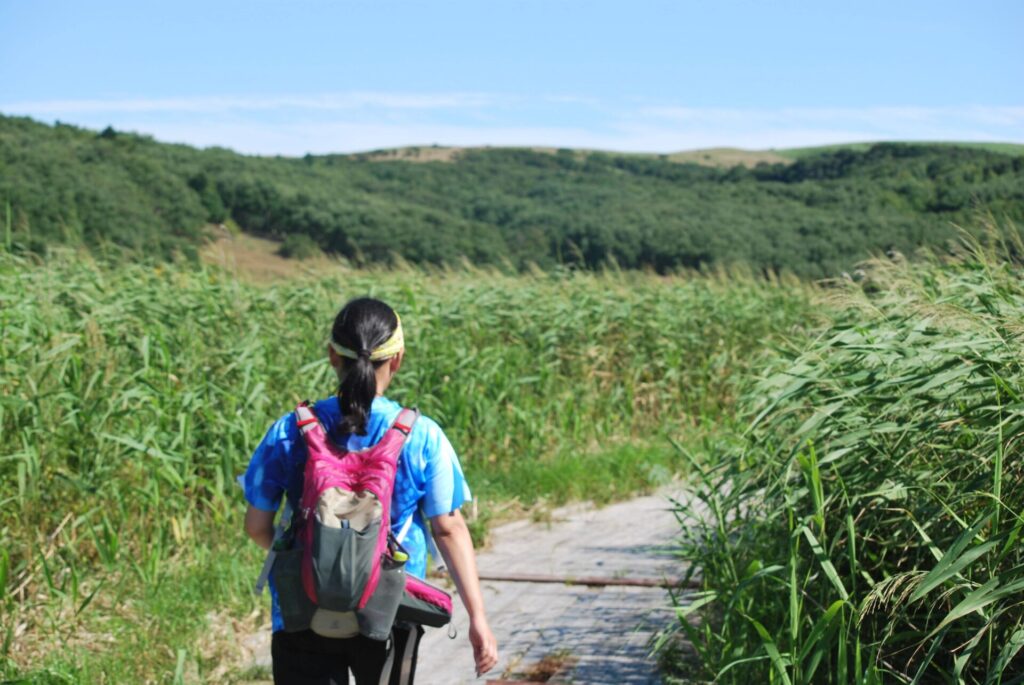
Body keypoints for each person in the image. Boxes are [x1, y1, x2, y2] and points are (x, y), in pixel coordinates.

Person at [242, 297, 499, 684]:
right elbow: (449, 530)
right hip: (391, 608)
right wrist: (478, 619)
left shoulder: (288, 431)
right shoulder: (422, 435)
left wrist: (321, 560)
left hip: (302, 610)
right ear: (396, 360)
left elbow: (257, 527)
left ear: (332, 355)